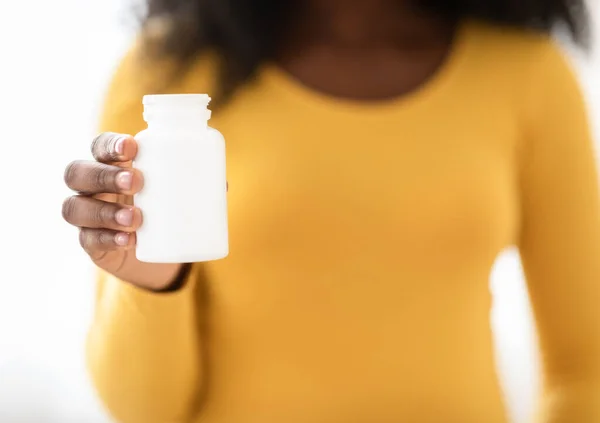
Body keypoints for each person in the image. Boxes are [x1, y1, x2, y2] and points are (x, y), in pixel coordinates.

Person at [62, 1, 600, 422]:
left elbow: (586, 370)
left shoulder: (529, 75)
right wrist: (154, 280)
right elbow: (142, 410)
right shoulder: (167, 74)